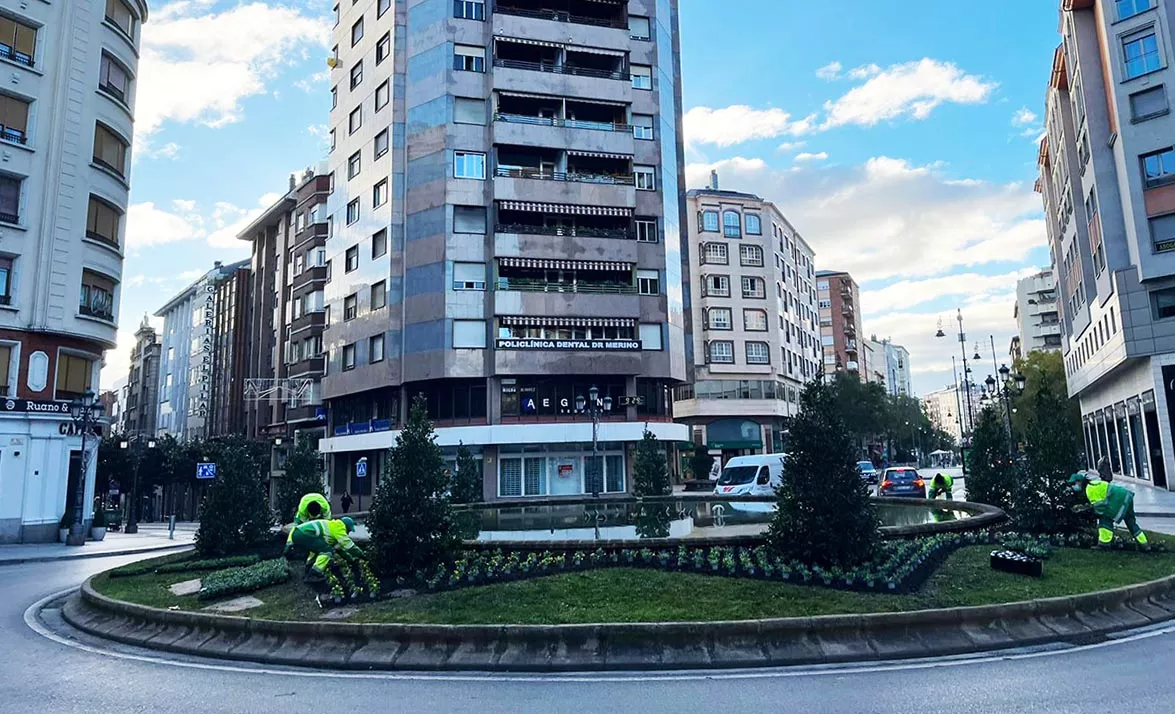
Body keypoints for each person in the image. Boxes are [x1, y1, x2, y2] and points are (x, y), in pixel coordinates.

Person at [1069, 472, 1147, 547]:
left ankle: (1104, 544)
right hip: (1127, 497)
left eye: (1073, 484)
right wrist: (1084, 507)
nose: (1072, 486)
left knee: (1105, 520)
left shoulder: (1089, 490)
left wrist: (1089, 512)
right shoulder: (1093, 484)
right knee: (1131, 522)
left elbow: (1099, 507)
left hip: (1117, 500)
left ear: (1079, 482)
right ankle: (1144, 544)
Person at [287, 517, 364, 581]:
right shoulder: (339, 527)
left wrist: (351, 560)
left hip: (297, 533)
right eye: (349, 530)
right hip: (305, 534)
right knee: (328, 551)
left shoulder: (331, 527)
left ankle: (308, 570)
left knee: (318, 549)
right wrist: (361, 555)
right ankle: (315, 573)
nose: (348, 533)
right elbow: (348, 545)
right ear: (346, 527)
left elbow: (340, 550)